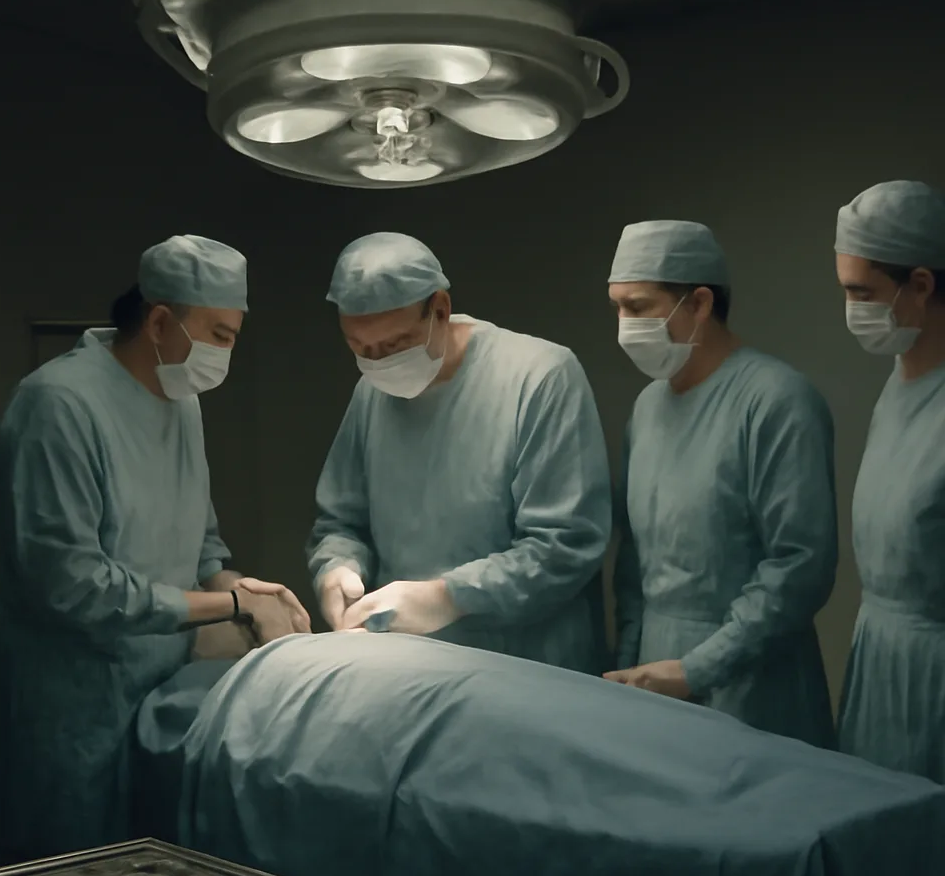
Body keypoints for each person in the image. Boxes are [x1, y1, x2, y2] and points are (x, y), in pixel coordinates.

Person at [0, 233, 311, 859]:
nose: (226, 353)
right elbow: (70, 585)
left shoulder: (181, 402)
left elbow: (202, 547)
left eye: (233, 336)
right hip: (70, 703)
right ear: (160, 320)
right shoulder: (57, 405)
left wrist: (243, 590)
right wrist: (230, 606)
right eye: (219, 335)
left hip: (159, 692)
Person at [306, 232, 611, 673]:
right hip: (410, 667)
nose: (378, 361)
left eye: (393, 345)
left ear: (440, 310)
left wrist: (448, 597)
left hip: (527, 668)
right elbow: (340, 519)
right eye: (360, 348)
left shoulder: (539, 376)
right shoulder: (371, 392)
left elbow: (563, 546)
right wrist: (337, 568)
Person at [604, 220, 838, 746]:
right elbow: (636, 563)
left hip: (755, 677)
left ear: (700, 303)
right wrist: (629, 667)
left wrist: (697, 669)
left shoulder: (776, 401)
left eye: (638, 307)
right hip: (654, 675)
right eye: (616, 307)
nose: (623, 324)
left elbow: (799, 567)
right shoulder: (648, 409)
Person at [834, 180, 945, 783]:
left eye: (862, 293)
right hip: (877, 658)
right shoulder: (899, 386)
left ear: (921, 285)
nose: (853, 310)